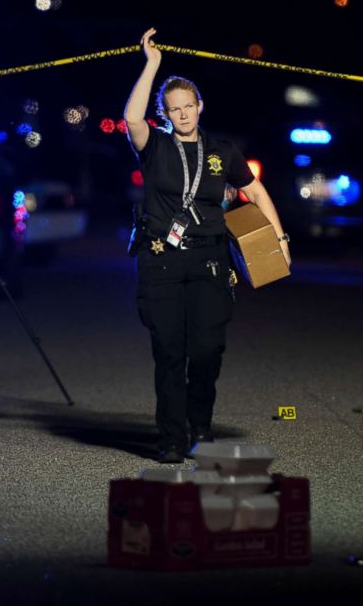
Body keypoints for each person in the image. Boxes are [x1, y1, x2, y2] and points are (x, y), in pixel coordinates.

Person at [124, 28, 291, 463]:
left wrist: (279, 239)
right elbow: (131, 119)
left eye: (188, 106)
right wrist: (152, 65)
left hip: (210, 260)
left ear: (200, 107)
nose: (182, 115)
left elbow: (256, 193)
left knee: (205, 349)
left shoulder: (222, 151)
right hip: (161, 261)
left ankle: (200, 424)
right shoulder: (153, 145)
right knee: (169, 352)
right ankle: (172, 438)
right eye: (173, 109)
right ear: (165, 113)